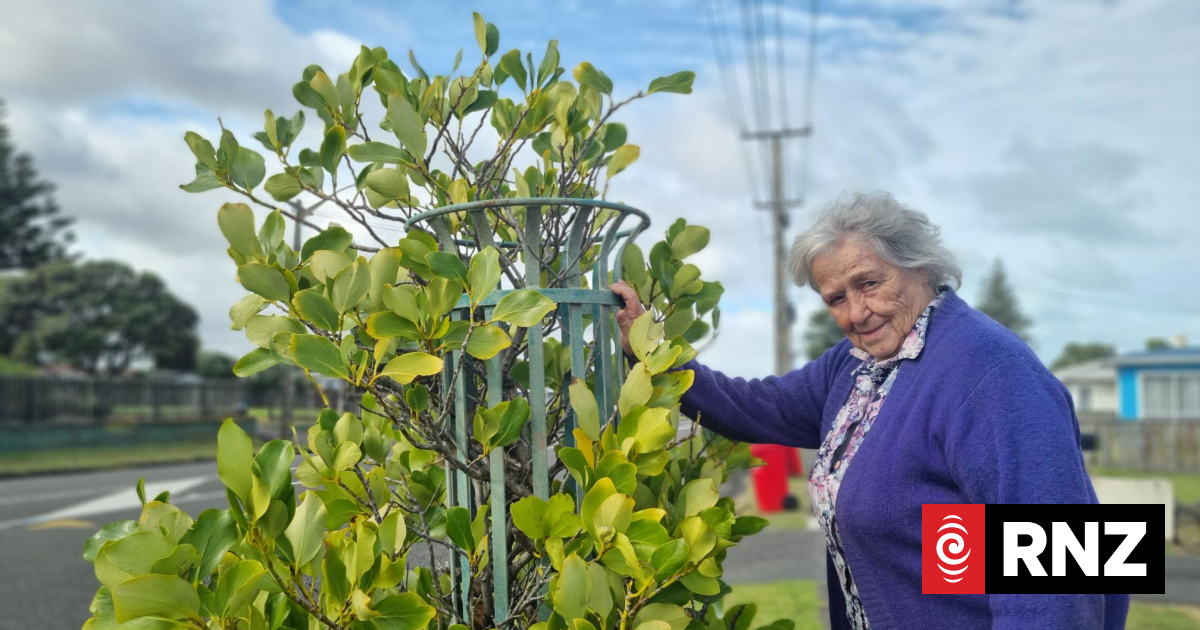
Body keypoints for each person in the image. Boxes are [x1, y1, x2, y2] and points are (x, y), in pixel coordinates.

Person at [610, 192, 1129, 630]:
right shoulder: (858, 364)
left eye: (869, 283)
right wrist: (653, 351)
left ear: (919, 265)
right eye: (836, 298)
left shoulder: (991, 372)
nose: (856, 313)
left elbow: (1064, 566)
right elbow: (761, 406)